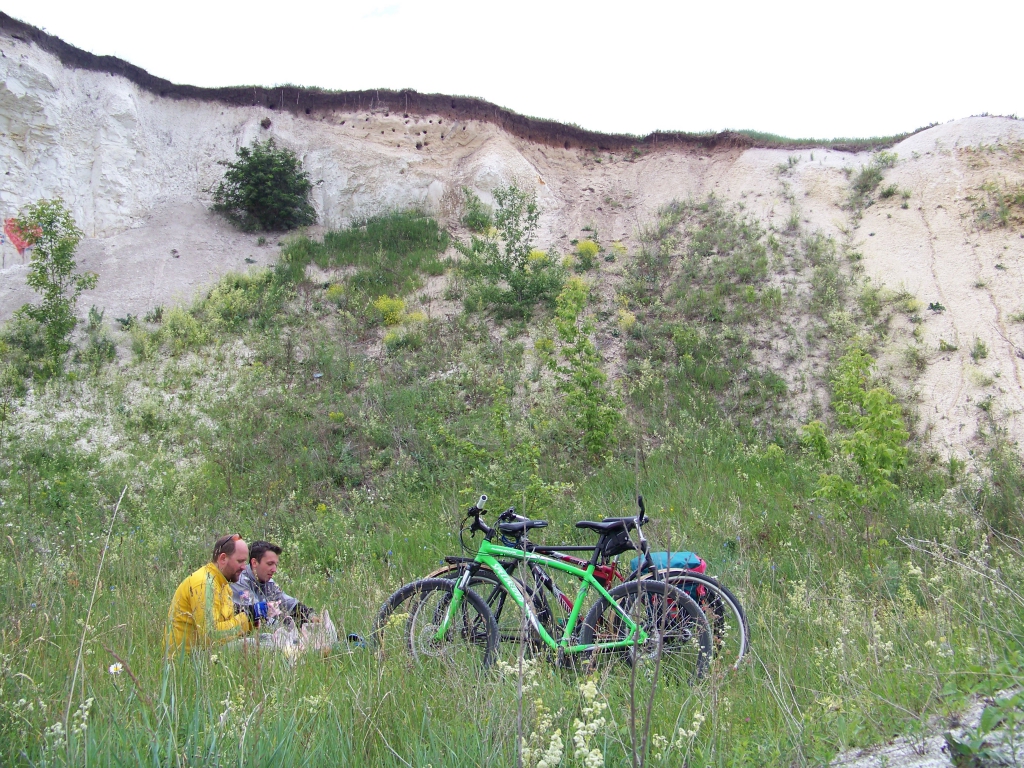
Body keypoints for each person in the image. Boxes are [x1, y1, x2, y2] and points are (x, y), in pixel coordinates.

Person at [166, 534, 268, 652]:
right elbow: (211, 636)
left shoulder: (222, 583)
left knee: (270, 639)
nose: (244, 567)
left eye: (245, 562)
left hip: (207, 652)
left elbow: (226, 623)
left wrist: (252, 619)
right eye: (240, 561)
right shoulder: (205, 584)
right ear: (223, 558)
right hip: (190, 658)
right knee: (264, 647)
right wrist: (247, 617)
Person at [232, 540, 315, 627]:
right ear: (254, 563)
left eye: (276, 565)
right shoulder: (239, 581)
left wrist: (310, 615)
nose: (274, 570)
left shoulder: (267, 581)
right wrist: (289, 627)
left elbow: (287, 602)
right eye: (270, 564)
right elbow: (258, 618)